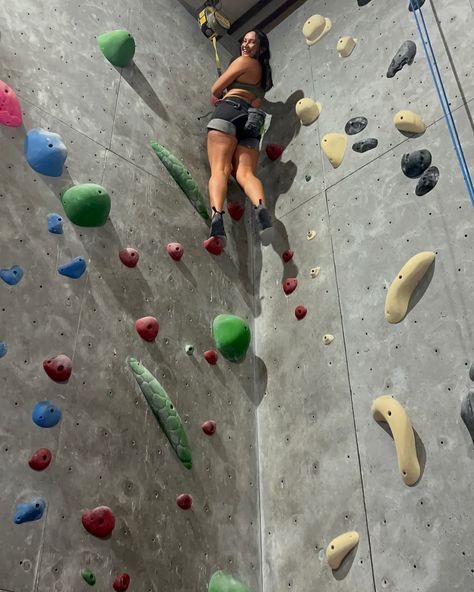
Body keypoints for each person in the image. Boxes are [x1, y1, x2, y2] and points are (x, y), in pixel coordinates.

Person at [207, 29, 274, 245]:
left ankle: (217, 217)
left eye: (251, 42)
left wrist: (222, 91)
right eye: (244, 41)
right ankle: (261, 208)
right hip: (252, 121)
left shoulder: (243, 62)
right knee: (246, 174)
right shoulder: (264, 76)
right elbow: (256, 103)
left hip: (229, 110)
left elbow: (215, 89)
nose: (245, 45)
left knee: (220, 170)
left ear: (260, 48)